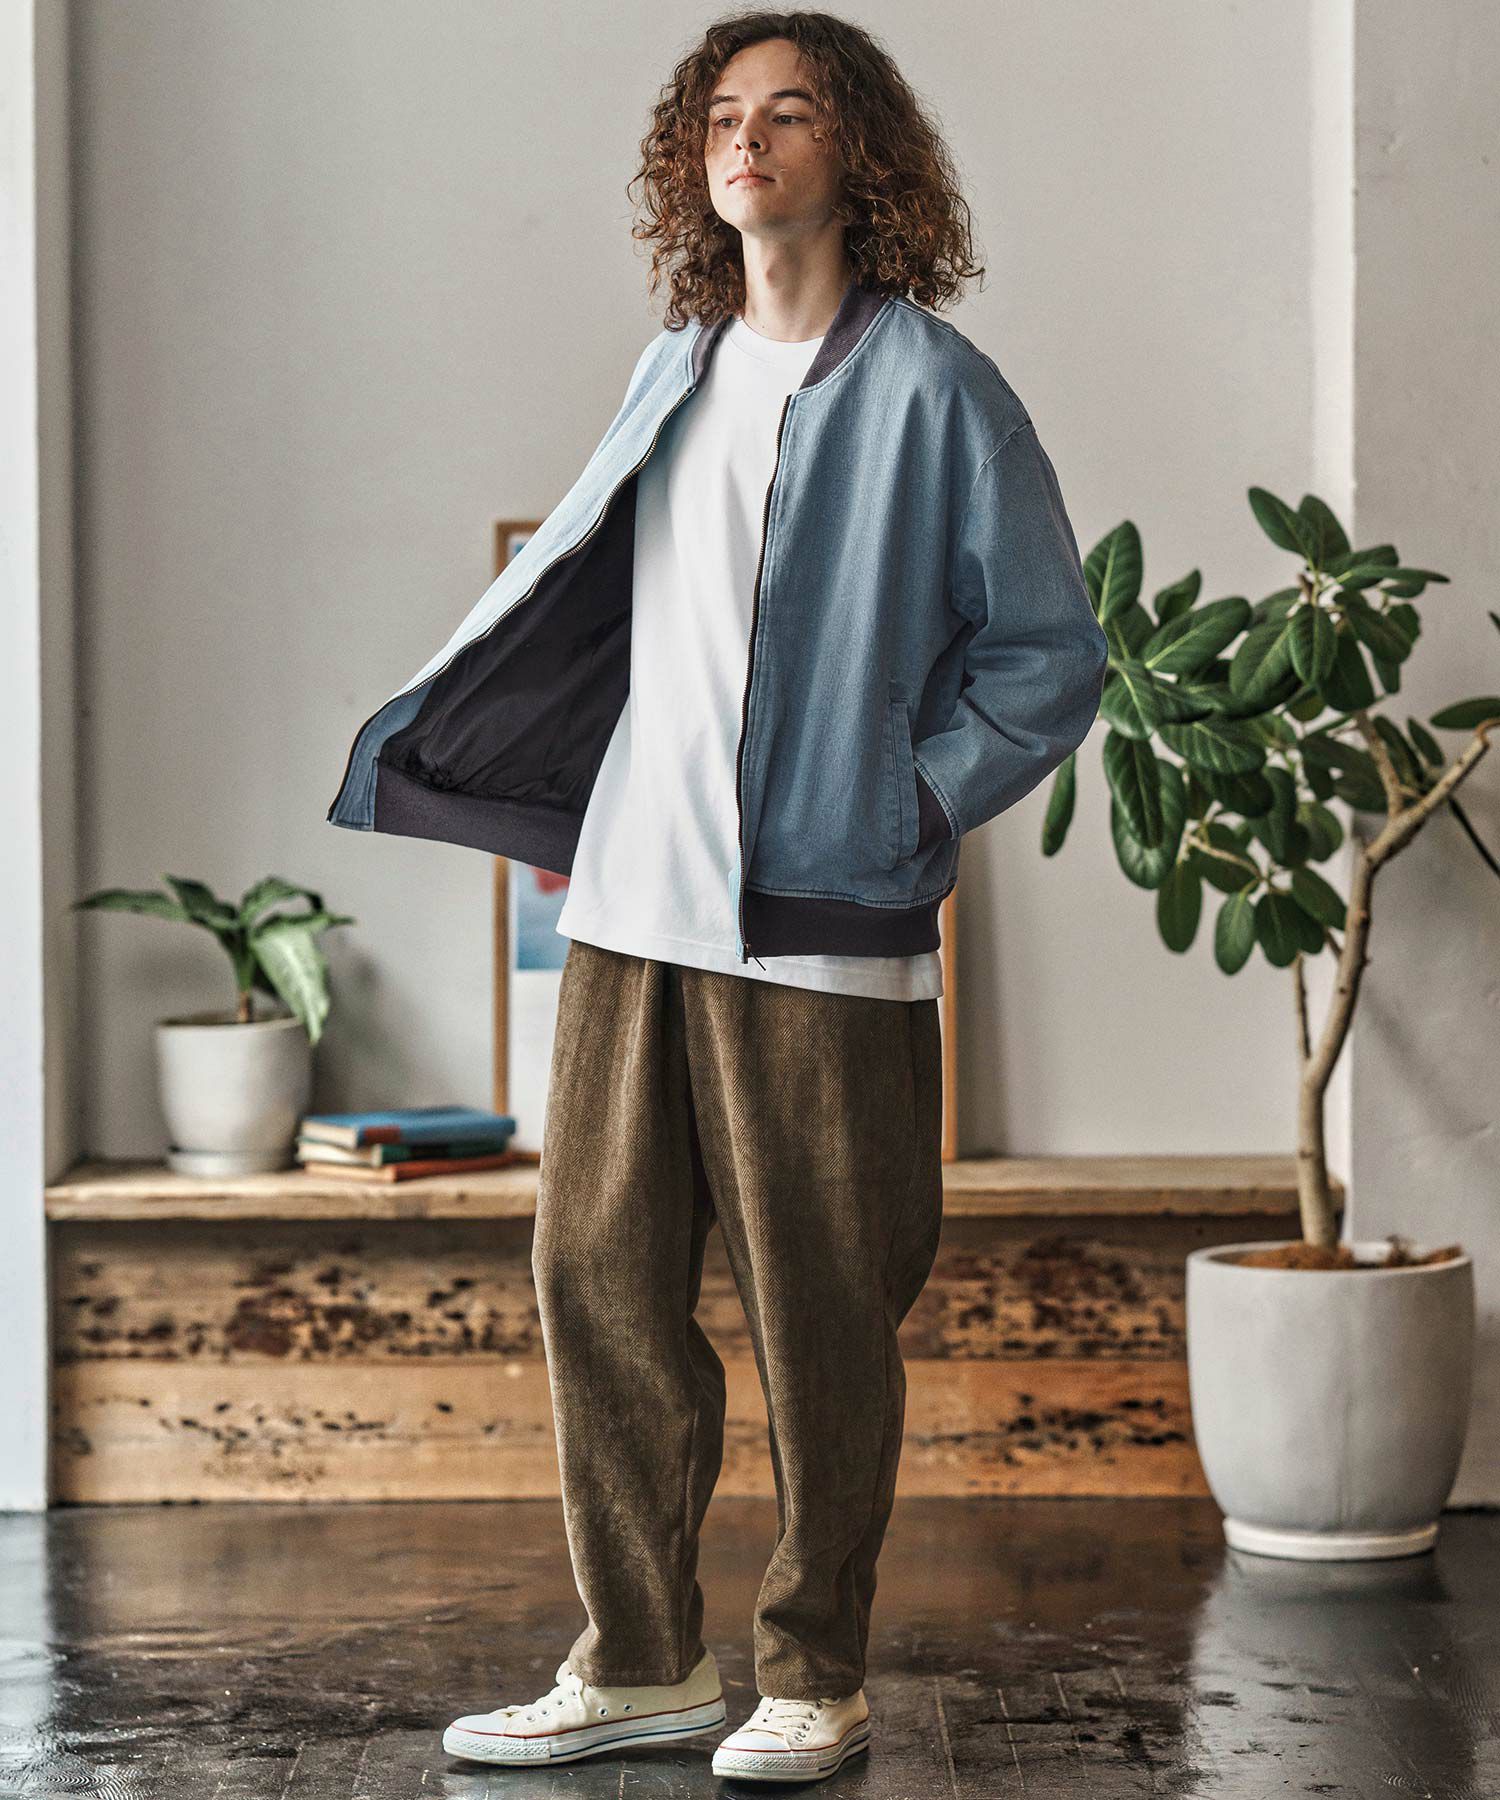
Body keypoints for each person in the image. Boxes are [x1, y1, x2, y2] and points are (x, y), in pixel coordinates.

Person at [329, 9, 1107, 1784]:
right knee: (592, 1275)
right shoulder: (673, 365)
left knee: (823, 1314)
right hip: (631, 908)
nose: (746, 138)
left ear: (862, 152)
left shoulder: (937, 391)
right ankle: (642, 1661)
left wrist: (909, 800)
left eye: (791, 110)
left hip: (820, 923)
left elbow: (1051, 659)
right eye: (722, 116)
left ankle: (814, 1670)